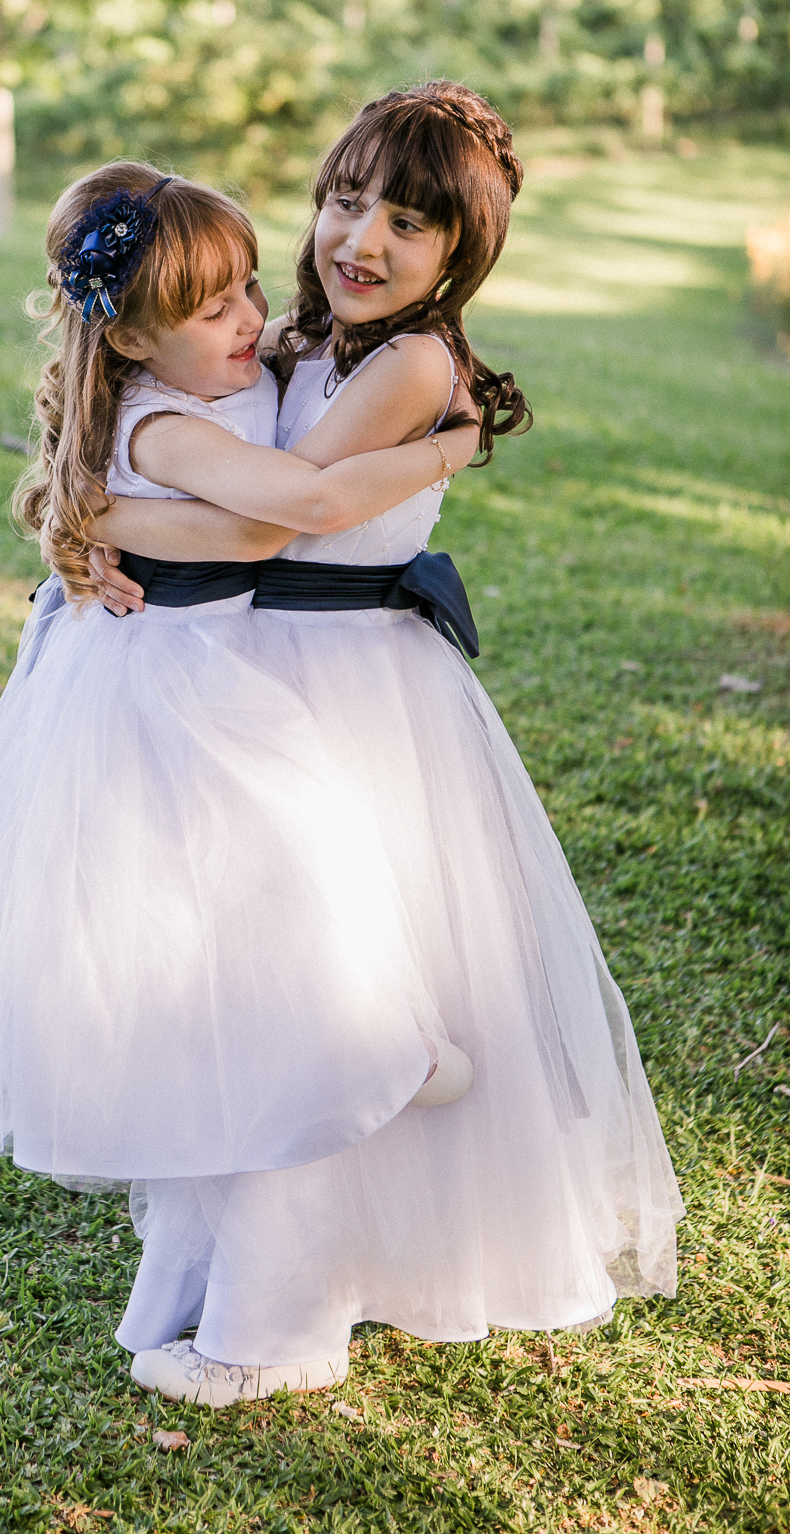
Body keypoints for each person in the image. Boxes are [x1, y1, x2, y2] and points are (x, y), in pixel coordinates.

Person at [0, 158, 487, 1387]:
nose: (250, 319)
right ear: (129, 335)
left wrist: (81, 506)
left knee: (288, 883)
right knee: (273, 891)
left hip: (209, 667)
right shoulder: (163, 416)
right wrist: (450, 447)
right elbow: (278, 514)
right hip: (167, 685)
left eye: (247, 289)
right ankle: (394, 1046)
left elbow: (253, 431)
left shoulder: (231, 364)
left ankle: (388, 1055)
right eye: (213, 305)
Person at [79, 85, 683, 1408]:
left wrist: (93, 515)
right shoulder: (283, 337)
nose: (364, 239)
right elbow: (182, 448)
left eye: (409, 223)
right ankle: (241, 1275)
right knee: (253, 995)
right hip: (262, 683)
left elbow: (275, 521)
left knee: (309, 1006)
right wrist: (79, 517)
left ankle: (274, 1330)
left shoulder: (413, 366)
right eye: (348, 201)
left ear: (460, 253)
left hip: (355, 693)